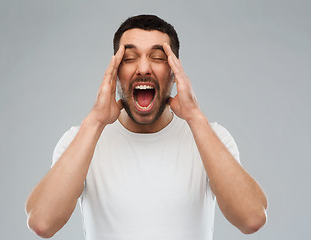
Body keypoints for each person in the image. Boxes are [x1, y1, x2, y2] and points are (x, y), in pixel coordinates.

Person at [25, 14, 268, 240]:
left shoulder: (211, 137)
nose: (143, 68)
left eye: (158, 58)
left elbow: (251, 218)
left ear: (174, 72)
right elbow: (42, 223)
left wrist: (195, 116)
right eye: (129, 58)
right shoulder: (81, 140)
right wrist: (96, 120)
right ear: (116, 72)